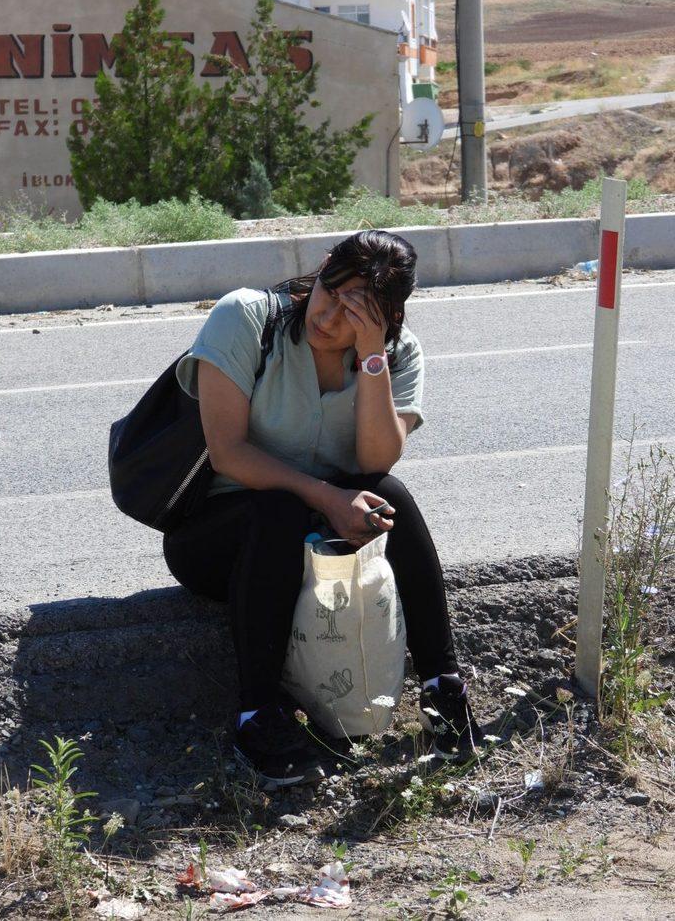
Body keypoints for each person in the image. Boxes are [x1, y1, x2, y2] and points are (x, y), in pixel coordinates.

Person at [163, 230, 482, 786]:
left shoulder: (396, 354)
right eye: (330, 294)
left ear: (386, 317)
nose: (329, 319)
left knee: (392, 495)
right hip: (218, 539)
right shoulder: (245, 319)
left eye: (355, 314)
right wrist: (328, 499)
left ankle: (442, 689)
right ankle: (255, 715)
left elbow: (376, 458)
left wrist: (371, 358)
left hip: (313, 538)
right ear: (323, 268)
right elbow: (228, 452)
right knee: (280, 508)